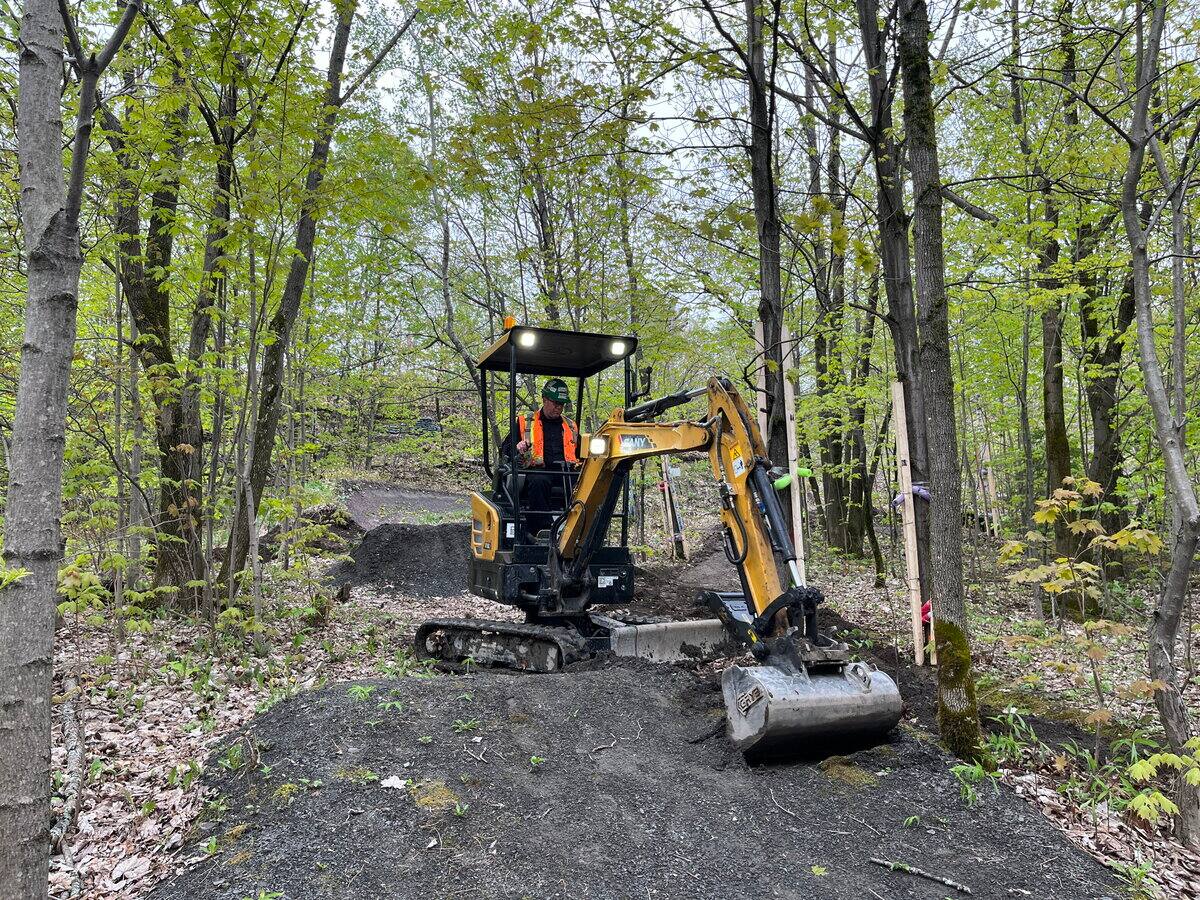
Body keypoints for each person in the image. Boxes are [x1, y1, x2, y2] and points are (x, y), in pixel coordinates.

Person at [503, 378, 580, 537]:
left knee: (583, 484)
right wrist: (517, 448)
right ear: (544, 400)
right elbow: (506, 448)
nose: (559, 407)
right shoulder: (526, 422)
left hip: (566, 471)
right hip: (538, 470)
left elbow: (579, 452)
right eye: (555, 402)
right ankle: (543, 530)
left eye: (562, 404)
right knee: (539, 481)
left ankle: (577, 529)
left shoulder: (571, 425)